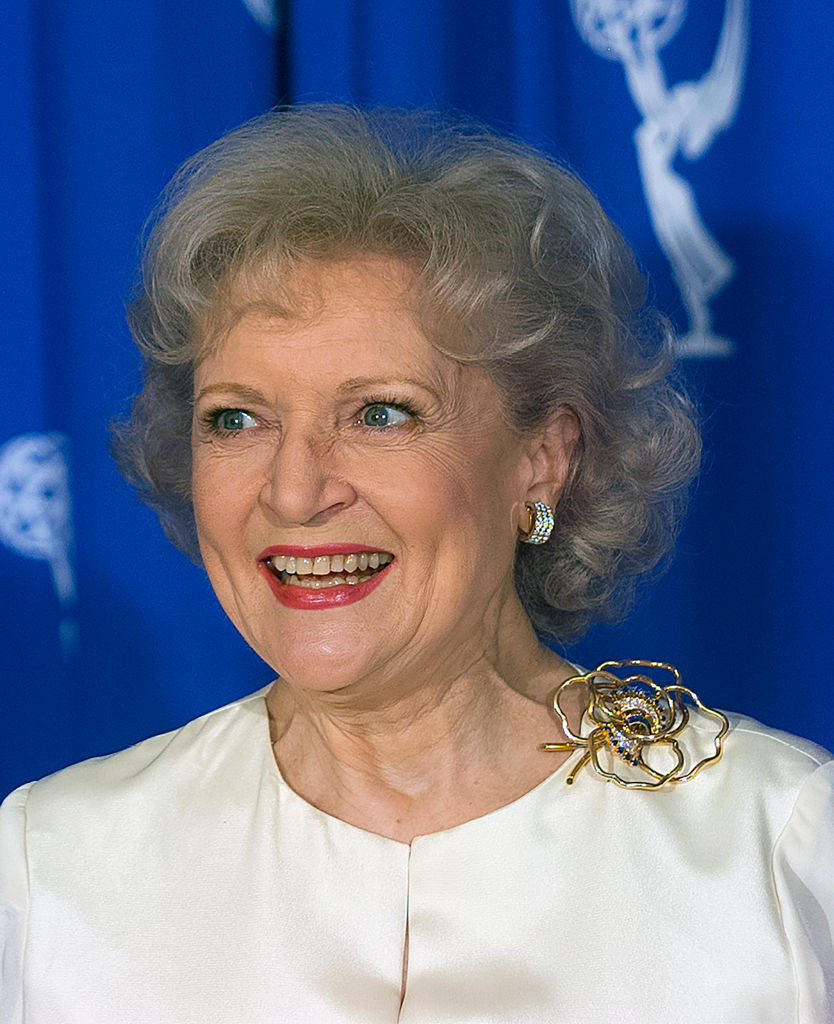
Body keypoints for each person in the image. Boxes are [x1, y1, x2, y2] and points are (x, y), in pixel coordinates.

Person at [1, 105, 831, 1024]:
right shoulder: (50, 868)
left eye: (380, 413)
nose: (293, 491)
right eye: (237, 419)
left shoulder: (781, 851)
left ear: (542, 457)